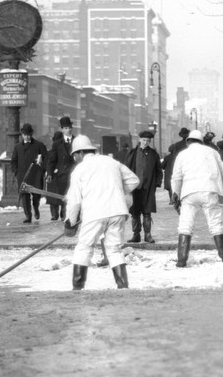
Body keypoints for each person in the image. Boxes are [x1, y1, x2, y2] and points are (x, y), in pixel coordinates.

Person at [63, 135, 140, 291]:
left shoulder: (80, 169)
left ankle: (77, 288)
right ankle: (122, 286)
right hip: (117, 211)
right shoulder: (111, 162)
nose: (74, 158)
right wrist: (115, 192)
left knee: (84, 248)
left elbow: (74, 201)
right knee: (114, 250)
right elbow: (134, 180)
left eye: (74, 155)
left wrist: (70, 221)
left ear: (79, 153)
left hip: (94, 213)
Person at [170, 130, 223, 267]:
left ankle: (182, 260)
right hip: (210, 190)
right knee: (216, 224)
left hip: (189, 192)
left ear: (188, 141)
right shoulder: (212, 152)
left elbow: (176, 177)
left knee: (185, 225)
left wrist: (175, 193)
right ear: (201, 141)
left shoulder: (182, 154)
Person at [125, 129, 163, 243]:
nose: (146, 142)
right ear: (139, 139)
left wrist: (157, 183)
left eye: (148, 141)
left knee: (147, 211)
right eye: (144, 140)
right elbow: (126, 169)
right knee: (135, 212)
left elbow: (158, 170)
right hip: (135, 187)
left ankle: (148, 234)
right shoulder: (133, 153)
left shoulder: (153, 154)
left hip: (148, 187)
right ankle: (136, 234)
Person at [11, 123, 48, 223]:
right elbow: (13, 161)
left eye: (28, 135)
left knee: (36, 195)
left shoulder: (39, 145)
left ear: (31, 134)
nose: (27, 137)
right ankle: (28, 215)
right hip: (23, 175)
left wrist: (42, 169)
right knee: (25, 196)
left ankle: (36, 208)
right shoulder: (17, 147)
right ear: (22, 135)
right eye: (25, 135)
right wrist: (16, 172)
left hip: (36, 175)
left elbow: (46, 159)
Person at [45, 116, 75, 221]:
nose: (69, 130)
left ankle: (68, 215)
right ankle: (64, 215)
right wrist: (49, 174)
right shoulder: (57, 144)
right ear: (62, 129)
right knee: (62, 195)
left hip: (74, 175)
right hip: (62, 175)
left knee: (72, 196)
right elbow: (52, 160)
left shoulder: (77, 141)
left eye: (70, 127)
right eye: (66, 128)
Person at [162, 128, 190, 198]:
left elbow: (175, 157)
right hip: (188, 166)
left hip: (180, 165)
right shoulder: (189, 144)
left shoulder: (177, 145)